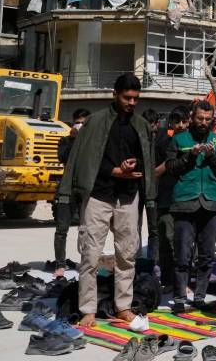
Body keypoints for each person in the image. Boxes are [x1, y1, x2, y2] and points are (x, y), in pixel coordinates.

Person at [58, 74, 155, 330]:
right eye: (127, 97)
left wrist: (133, 171)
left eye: (136, 98)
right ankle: (87, 309)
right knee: (90, 254)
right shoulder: (96, 122)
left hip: (128, 197)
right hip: (99, 196)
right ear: (115, 94)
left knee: (127, 254)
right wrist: (115, 171)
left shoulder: (141, 125)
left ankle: (123, 306)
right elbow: (85, 159)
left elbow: (147, 159)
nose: (132, 103)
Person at [165, 101, 216, 313]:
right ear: (192, 117)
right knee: (183, 253)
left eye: (207, 119)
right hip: (185, 202)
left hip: (211, 202)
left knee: (206, 255)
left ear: (212, 119)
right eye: (200, 118)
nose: (203, 122)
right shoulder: (179, 138)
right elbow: (171, 168)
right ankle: (179, 297)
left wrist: (211, 156)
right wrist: (190, 156)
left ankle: (200, 296)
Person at [49, 108, 90, 277]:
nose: (80, 125)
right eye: (77, 122)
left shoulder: (92, 143)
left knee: (88, 229)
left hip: (86, 189)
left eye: (83, 123)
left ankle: (87, 262)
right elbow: (63, 157)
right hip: (67, 190)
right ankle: (60, 264)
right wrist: (73, 139)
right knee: (61, 229)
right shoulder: (66, 141)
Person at [153, 106, 189, 292]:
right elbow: (156, 170)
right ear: (171, 123)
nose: (181, 125)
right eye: (177, 122)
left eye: (184, 121)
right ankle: (168, 281)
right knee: (166, 242)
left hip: (186, 198)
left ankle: (183, 282)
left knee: (183, 243)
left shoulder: (192, 143)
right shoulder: (163, 142)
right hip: (166, 198)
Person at [140, 109, 163, 265]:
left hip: (154, 191)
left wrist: (153, 173)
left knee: (154, 229)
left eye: (152, 125)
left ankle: (152, 261)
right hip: (137, 189)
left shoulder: (163, 140)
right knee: (132, 228)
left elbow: (167, 162)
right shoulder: (137, 139)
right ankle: (135, 259)